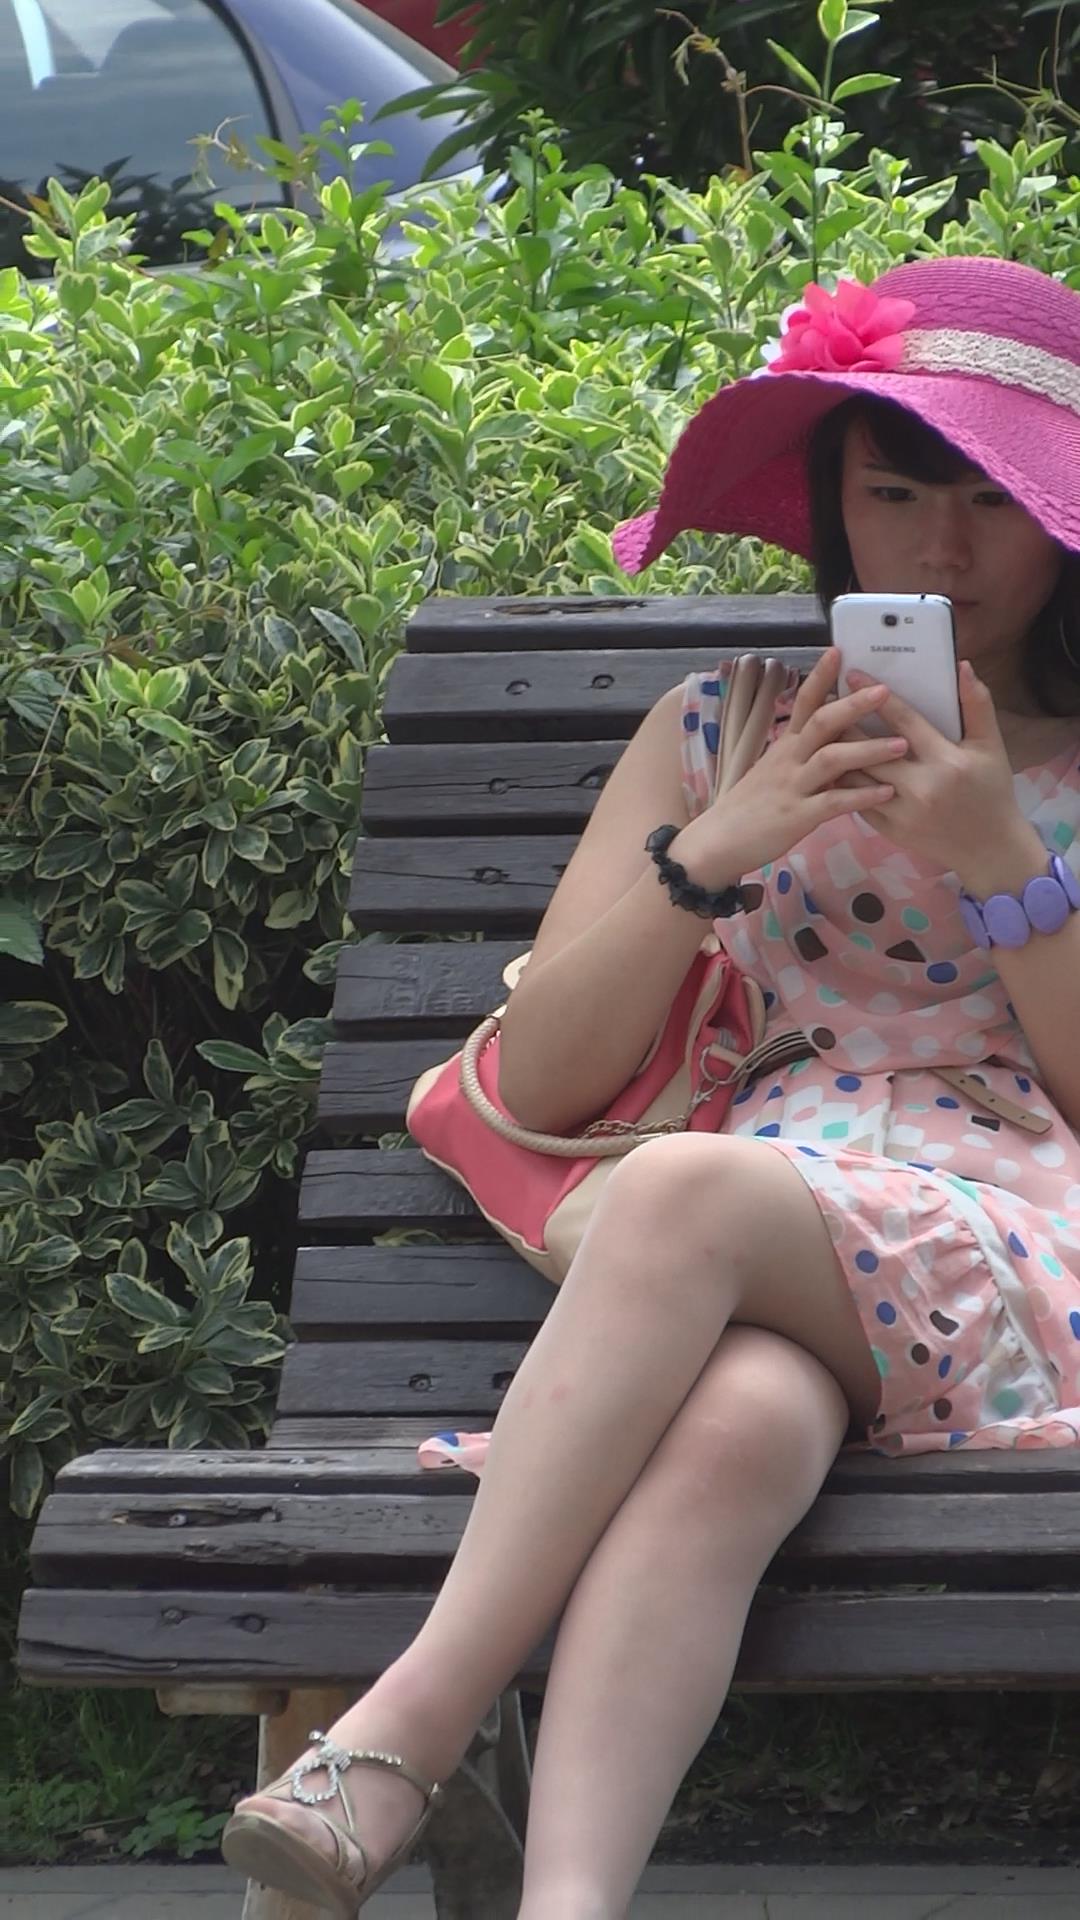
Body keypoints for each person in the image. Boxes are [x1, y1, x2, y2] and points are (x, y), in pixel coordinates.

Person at [222, 254, 1080, 1919]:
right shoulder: (715, 729)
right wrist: (724, 845)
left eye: (990, 500)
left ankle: (395, 1735)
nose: (941, 552)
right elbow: (544, 1078)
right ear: (834, 508)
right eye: (894, 494)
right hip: (766, 1273)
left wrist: (1000, 858)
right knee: (736, 1424)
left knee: (685, 1191)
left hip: (1014, 1252)